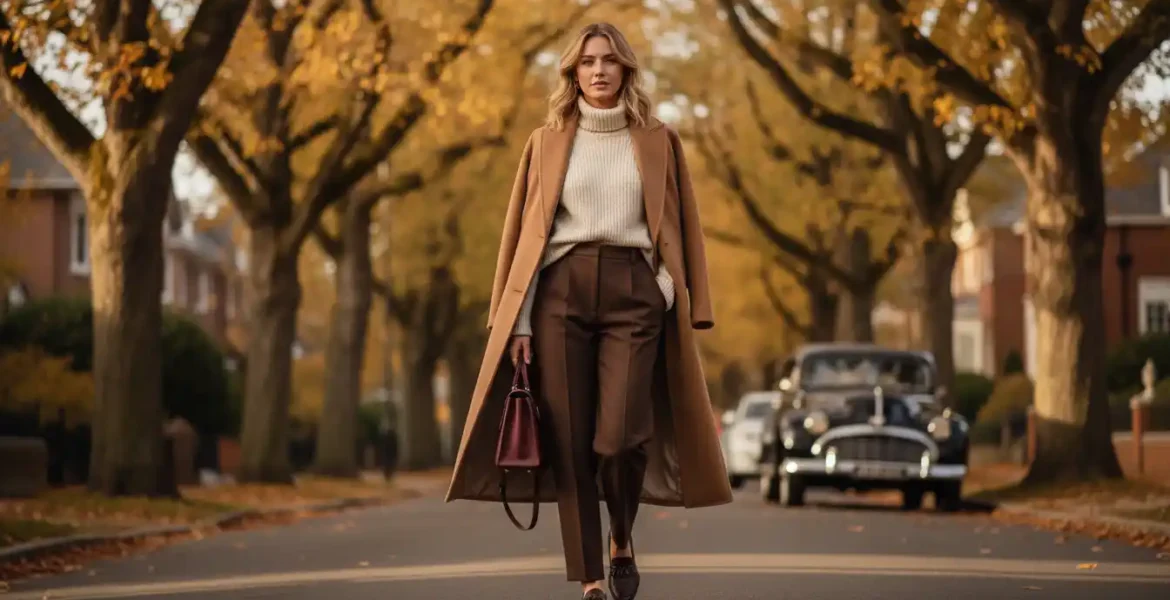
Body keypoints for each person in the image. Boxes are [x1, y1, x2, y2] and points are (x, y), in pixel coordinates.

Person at [443, 22, 733, 600]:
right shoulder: (545, 141)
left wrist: (669, 291)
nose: (597, 70)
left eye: (608, 61)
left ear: (626, 69)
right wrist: (520, 320)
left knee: (619, 438)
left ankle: (620, 535)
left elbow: (683, 222)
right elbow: (523, 238)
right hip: (559, 294)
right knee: (571, 441)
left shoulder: (657, 139)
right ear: (572, 74)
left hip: (635, 289)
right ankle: (592, 578)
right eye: (586, 62)